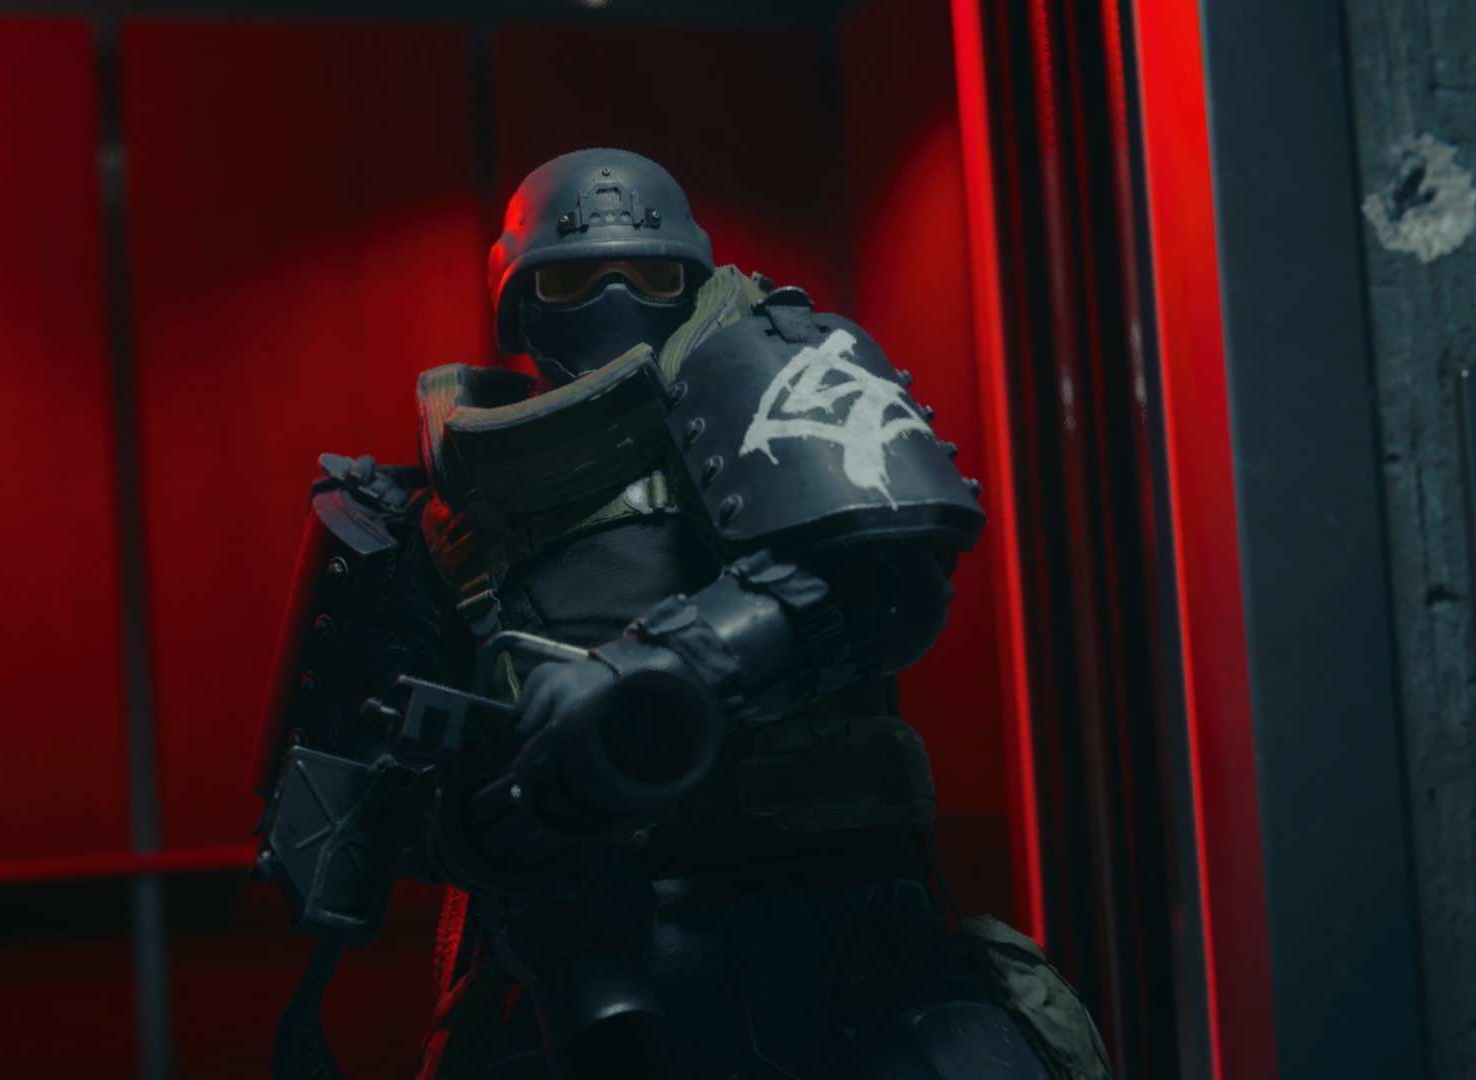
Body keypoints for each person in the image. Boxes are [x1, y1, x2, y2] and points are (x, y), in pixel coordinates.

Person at [249, 148, 1107, 1080]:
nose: (614, 299)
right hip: (587, 965)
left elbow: (886, 585)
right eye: (574, 279)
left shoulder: (779, 397)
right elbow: (359, 819)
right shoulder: (443, 519)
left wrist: (652, 673)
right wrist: (482, 826)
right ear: (522, 306)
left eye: (649, 275)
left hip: (841, 937)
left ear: (690, 284)